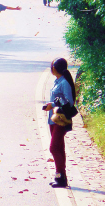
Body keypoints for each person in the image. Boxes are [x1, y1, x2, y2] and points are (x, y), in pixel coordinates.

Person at [43, 58, 76, 188]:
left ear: (55, 68)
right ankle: (61, 177)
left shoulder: (64, 83)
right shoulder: (57, 81)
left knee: (54, 148)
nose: (51, 68)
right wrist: (50, 105)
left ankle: (60, 177)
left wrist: (55, 103)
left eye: (52, 66)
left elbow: (70, 102)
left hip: (61, 120)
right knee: (59, 148)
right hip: (53, 119)